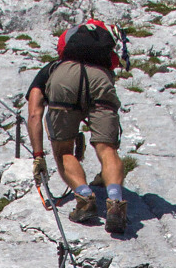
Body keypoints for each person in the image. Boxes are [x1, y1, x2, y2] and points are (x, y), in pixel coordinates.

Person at [26, 19, 127, 234]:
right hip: (101, 78)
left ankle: (84, 198)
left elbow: (35, 113)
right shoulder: (101, 65)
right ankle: (116, 202)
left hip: (64, 81)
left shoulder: (52, 68)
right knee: (107, 148)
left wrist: (38, 155)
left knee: (63, 150)